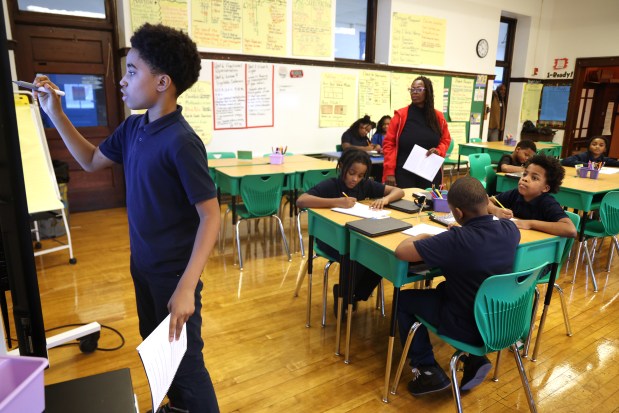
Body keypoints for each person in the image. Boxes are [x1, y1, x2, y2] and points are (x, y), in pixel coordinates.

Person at [34, 24, 220, 413]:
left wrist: (187, 287)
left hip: (174, 277)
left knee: (187, 366)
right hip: (144, 268)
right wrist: (55, 113)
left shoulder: (182, 142)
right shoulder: (134, 127)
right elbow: (89, 160)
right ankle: (178, 406)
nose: (122, 80)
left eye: (133, 71)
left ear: (163, 82)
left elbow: (210, 217)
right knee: (158, 351)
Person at [394, 176, 520, 396]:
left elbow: (402, 251)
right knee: (445, 290)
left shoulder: (455, 240)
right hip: (502, 321)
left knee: (403, 300)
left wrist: (424, 235)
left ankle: (427, 371)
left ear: (458, 213)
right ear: (486, 203)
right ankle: (474, 358)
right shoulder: (510, 230)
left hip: (468, 325)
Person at [296, 149, 404, 314]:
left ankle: (354, 295)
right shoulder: (332, 185)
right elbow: (301, 200)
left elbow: (399, 191)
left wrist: (385, 199)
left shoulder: (365, 185)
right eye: (351, 173)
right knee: (357, 256)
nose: (355, 179)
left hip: (358, 236)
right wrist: (337, 202)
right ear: (342, 167)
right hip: (330, 238)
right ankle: (345, 297)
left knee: (381, 255)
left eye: (360, 175)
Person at [382, 76, 451, 189]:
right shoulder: (400, 115)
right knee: (404, 204)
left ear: (427, 92)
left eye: (419, 89)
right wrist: (389, 171)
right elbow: (389, 144)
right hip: (404, 172)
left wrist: (439, 150)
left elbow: (446, 140)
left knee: (428, 204)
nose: (414, 92)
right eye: (412, 89)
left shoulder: (438, 117)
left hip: (429, 171)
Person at [489, 154, 577, 238]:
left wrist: (530, 224)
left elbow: (571, 230)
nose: (525, 179)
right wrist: (496, 210)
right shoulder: (515, 194)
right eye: (525, 174)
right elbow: (485, 201)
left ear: (545, 188)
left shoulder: (547, 203)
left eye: (534, 178)